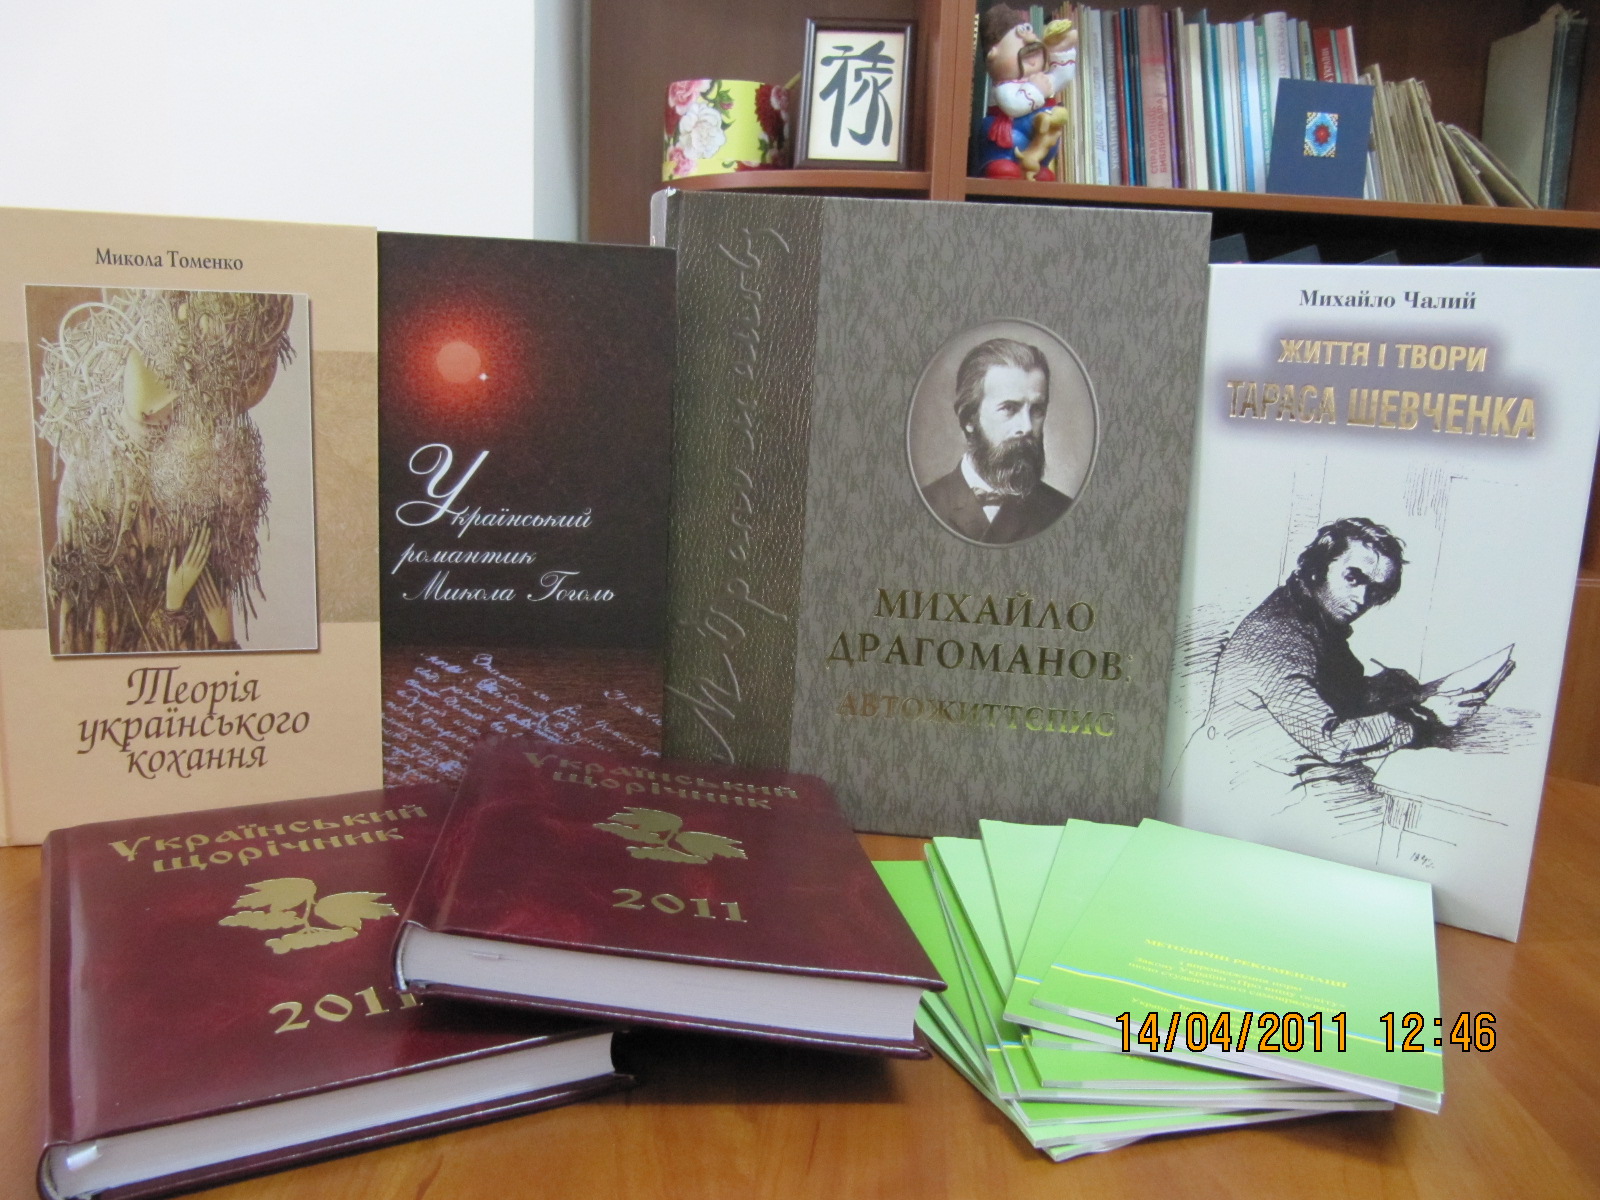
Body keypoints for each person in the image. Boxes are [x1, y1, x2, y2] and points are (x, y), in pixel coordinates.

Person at [1200, 517, 1490, 835]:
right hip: (1250, 790)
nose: (1363, 600)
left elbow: (1340, 694)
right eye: (1353, 578)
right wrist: (1424, 716)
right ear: (1317, 567)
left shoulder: (1314, 620)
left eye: (1376, 591)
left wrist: (1410, 691)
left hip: (1287, 774)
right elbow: (1333, 739)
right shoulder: (1277, 635)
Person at [919, 336, 1072, 545]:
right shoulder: (926, 505)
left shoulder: (1061, 510)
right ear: (969, 419)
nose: (1027, 427)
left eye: (1037, 410)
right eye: (1009, 408)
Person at [972, 6, 1077, 181]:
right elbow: (1013, 106)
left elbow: (1062, 77)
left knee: (1049, 135)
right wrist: (1036, 89)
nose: (1033, 57)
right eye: (1023, 55)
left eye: (1035, 53)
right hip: (1010, 133)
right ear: (993, 55)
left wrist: (1060, 50)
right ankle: (1001, 162)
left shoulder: (1040, 78)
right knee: (1001, 136)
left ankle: (1037, 167)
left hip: (1037, 137)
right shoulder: (1004, 87)